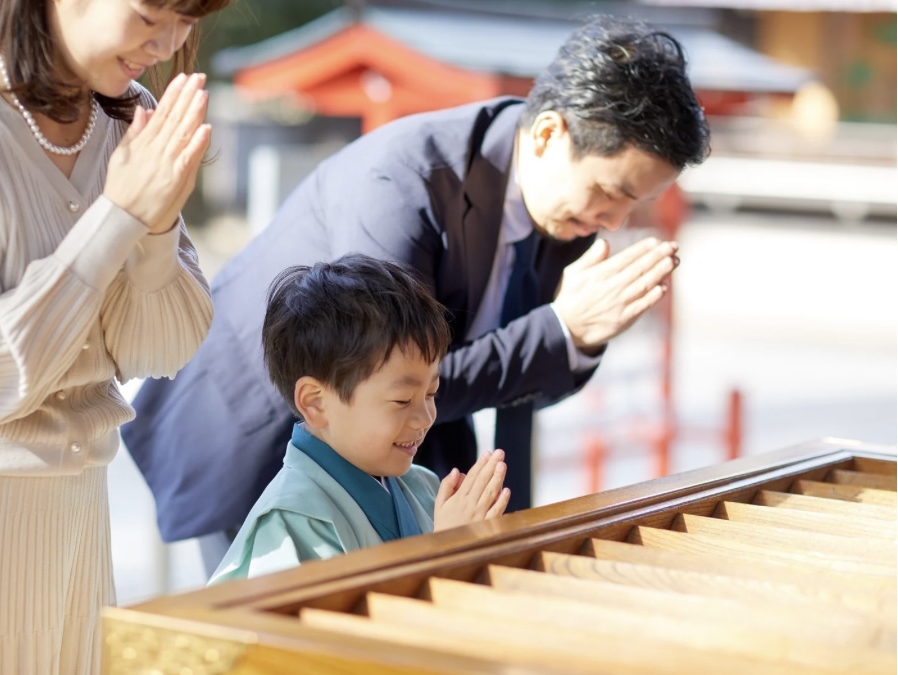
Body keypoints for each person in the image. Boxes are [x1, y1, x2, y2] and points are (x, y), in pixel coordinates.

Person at [123, 14, 711, 576]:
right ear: (551, 133)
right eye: (611, 191)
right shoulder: (403, 180)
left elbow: (471, 384)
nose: (615, 218)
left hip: (388, 449)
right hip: (264, 438)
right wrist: (562, 331)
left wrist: (574, 339)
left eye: (635, 204)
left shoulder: (568, 212)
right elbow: (397, 375)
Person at [0, 0, 228, 670]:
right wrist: (117, 215)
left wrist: (152, 226)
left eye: (187, 18)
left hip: (75, 518)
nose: (172, 41)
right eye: (153, 11)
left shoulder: (128, 115)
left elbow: (164, 344)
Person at [210, 254, 510, 583]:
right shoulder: (290, 523)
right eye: (402, 400)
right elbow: (337, 631)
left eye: (431, 393)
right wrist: (448, 551)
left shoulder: (423, 487)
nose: (425, 417)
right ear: (316, 403)